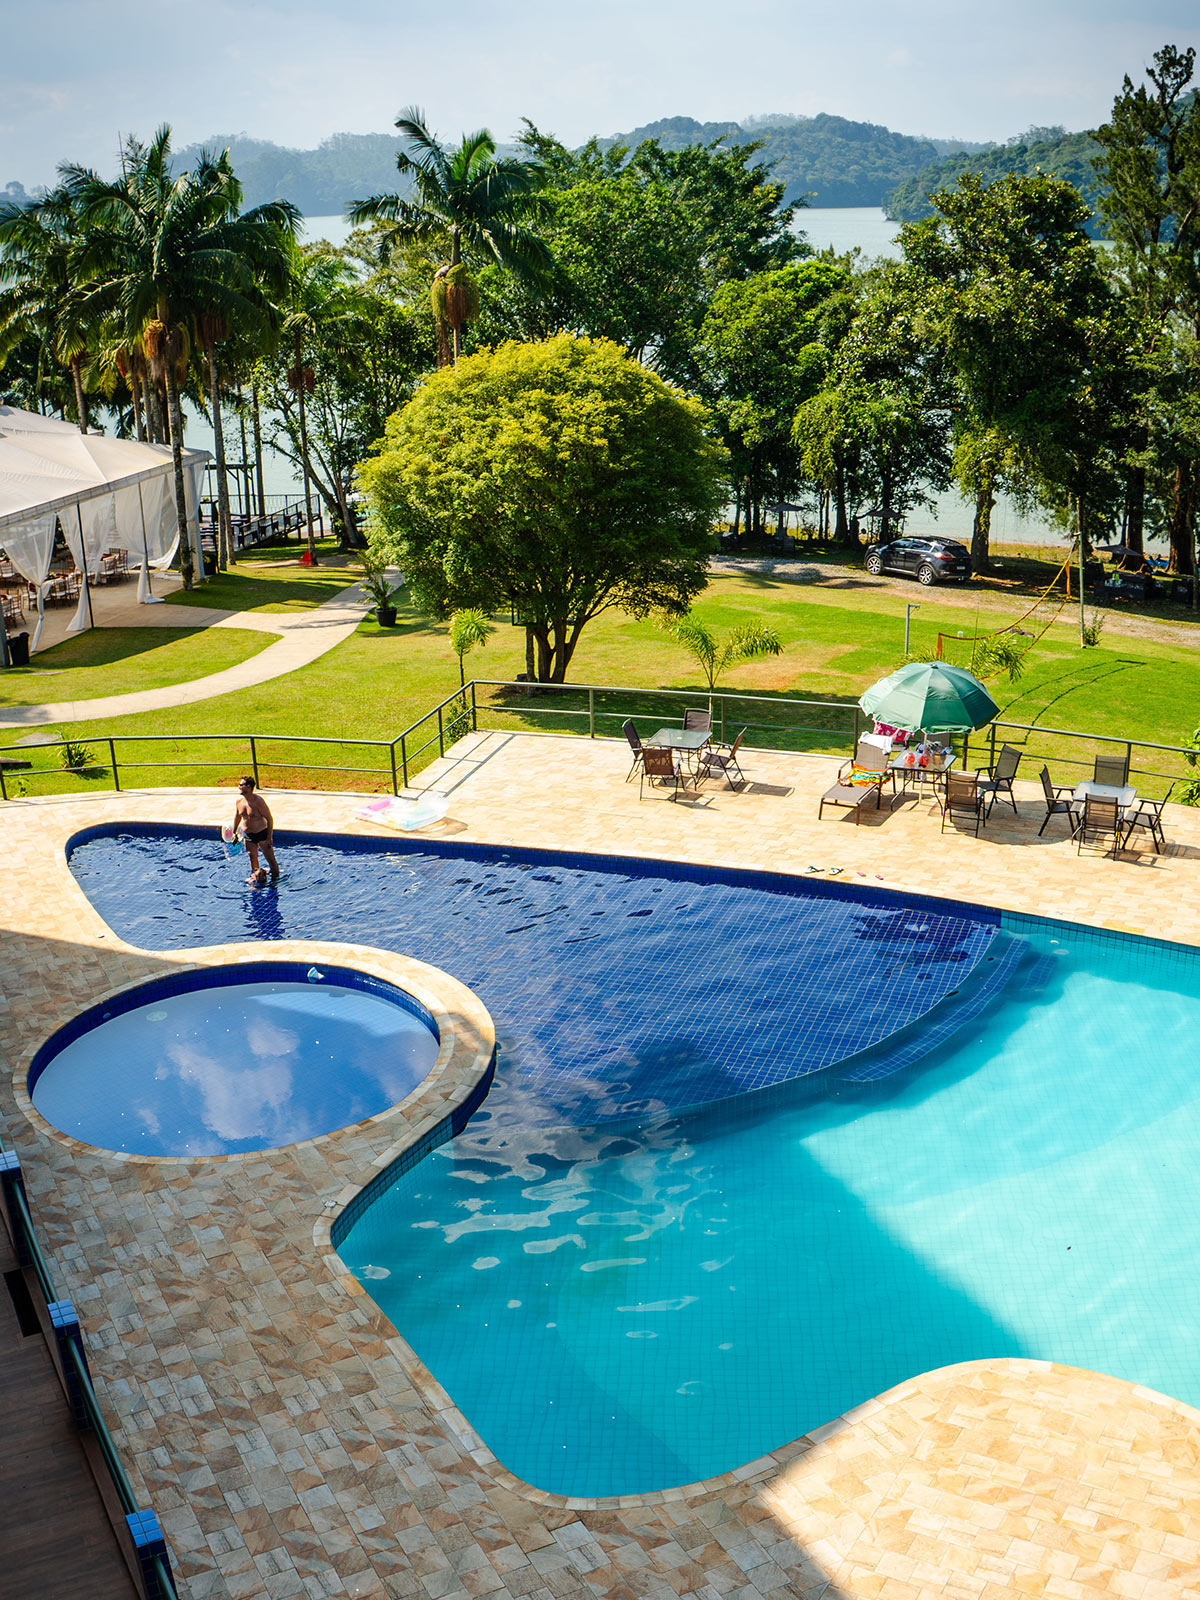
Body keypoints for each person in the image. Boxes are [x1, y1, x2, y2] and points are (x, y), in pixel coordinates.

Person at [232, 776, 279, 884]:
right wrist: (234, 833)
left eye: (241, 785)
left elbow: (269, 819)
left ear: (248, 787)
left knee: (271, 860)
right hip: (248, 835)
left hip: (261, 833)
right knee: (252, 857)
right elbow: (237, 817)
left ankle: (276, 882)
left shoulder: (258, 802)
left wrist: (269, 837)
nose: (239, 787)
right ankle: (257, 880)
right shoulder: (239, 801)